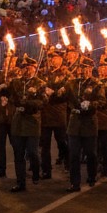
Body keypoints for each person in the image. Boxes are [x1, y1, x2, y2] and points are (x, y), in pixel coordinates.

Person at [62, 55, 102, 192]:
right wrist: (57, 91)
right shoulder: (71, 83)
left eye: (85, 68)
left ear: (91, 69)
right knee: (73, 155)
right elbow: (61, 95)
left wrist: (91, 104)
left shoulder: (96, 84)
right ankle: (75, 183)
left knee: (91, 153)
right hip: (74, 123)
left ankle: (92, 175)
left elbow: (102, 102)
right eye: (80, 68)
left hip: (89, 123)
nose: (82, 71)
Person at [7, 54, 45, 192]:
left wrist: (28, 104)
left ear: (35, 68)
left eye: (29, 68)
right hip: (18, 123)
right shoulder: (16, 82)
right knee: (18, 154)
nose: (26, 70)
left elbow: (43, 102)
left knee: (32, 152)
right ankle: (20, 182)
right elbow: (8, 95)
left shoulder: (40, 84)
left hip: (32, 122)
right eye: (24, 68)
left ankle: (36, 171)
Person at [39, 47, 69, 180]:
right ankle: (46, 170)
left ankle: (68, 163)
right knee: (44, 144)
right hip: (45, 114)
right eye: (50, 58)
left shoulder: (66, 74)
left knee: (62, 141)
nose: (52, 61)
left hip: (58, 114)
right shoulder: (43, 74)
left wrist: (54, 93)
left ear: (61, 59)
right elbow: (37, 88)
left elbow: (67, 94)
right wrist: (43, 90)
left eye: (55, 58)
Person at [0, 49, 15, 178]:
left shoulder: (16, 75)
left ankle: (20, 166)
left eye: (9, 61)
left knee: (15, 143)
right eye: (5, 61)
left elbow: (18, 91)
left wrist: (8, 86)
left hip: (12, 115)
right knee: (0, 143)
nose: (7, 63)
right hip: (0, 115)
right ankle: (1, 168)